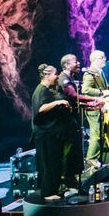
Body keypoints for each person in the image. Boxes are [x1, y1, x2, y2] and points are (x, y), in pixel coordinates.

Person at [30, 64, 77, 199]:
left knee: (56, 162)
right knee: (48, 164)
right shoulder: (41, 90)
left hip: (53, 134)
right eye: (55, 74)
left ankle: (54, 189)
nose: (57, 76)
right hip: (45, 134)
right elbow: (41, 108)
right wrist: (58, 102)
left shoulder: (49, 90)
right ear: (47, 75)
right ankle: (48, 193)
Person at [57, 53, 99, 189]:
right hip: (66, 120)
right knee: (68, 150)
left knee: (75, 149)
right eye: (75, 61)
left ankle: (72, 177)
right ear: (66, 65)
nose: (79, 63)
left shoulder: (72, 77)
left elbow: (74, 102)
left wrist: (88, 105)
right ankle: (65, 179)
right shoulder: (63, 78)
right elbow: (73, 96)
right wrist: (93, 99)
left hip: (72, 118)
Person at [80, 50, 109, 168]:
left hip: (100, 107)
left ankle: (97, 157)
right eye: (102, 57)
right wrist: (102, 92)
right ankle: (91, 158)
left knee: (101, 133)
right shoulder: (90, 73)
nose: (104, 59)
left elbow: (104, 87)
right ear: (96, 60)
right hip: (93, 108)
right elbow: (85, 90)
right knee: (96, 134)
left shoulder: (99, 71)